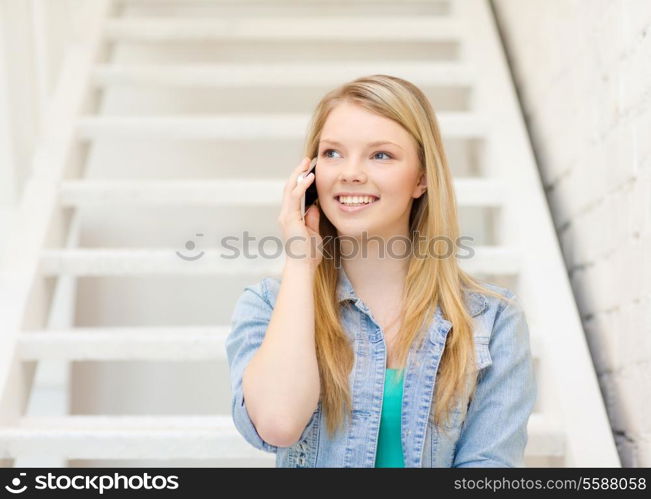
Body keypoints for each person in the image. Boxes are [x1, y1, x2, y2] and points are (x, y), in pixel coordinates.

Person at [225, 74, 537, 468]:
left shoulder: (493, 320)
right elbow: (277, 425)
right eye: (333, 153)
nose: (349, 173)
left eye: (381, 155)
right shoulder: (268, 307)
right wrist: (301, 261)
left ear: (421, 179)